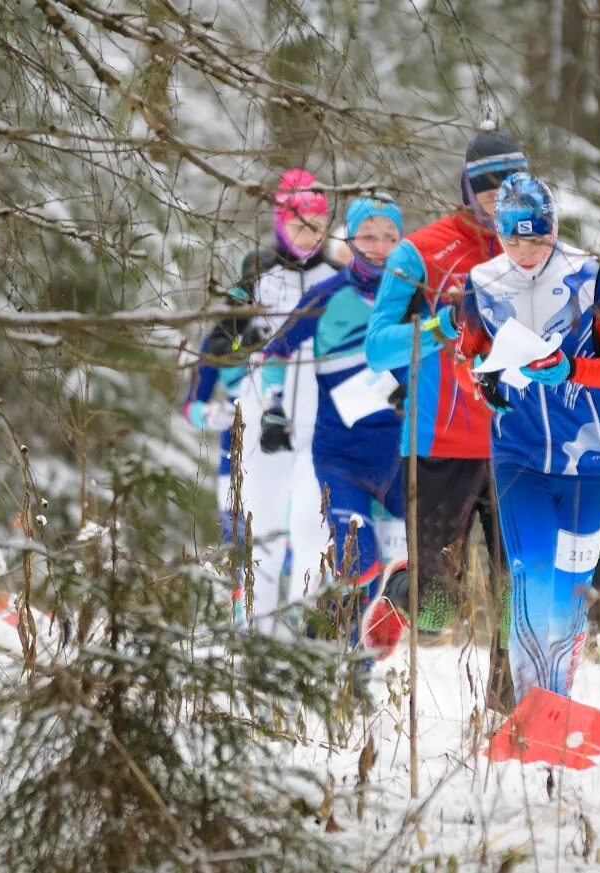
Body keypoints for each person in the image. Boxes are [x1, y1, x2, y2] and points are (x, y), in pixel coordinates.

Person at [450, 171, 600, 702]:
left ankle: (558, 702)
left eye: (536, 236)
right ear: (498, 232)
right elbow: (467, 362)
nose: (525, 249)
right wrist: (483, 385)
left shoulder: (593, 276)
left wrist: (572, 370)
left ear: (553, 228)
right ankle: (535, 709)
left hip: (589, 463)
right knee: (531, 580)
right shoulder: (482, 283)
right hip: (519, 457)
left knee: (568, 592)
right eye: (513, 236)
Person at [361, 124, 529, 702]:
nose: (498, 200)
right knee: (437, 610)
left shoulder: (536, 253)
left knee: (520, 585)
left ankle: (507, 700)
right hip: (440, 443)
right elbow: (377, 346)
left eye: (511, 187)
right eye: (486, 188)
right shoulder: (421, 252)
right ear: (466, 187)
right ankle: (405, 590)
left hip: (518, 444)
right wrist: (438, 326)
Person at [183, 168, 337, 632]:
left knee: (312, 529)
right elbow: (217, 341)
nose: (307, 233)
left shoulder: (337, 273)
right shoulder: (258, 271)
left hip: (320, 417)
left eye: (315, 224)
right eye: (297, 224)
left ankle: (305, 628)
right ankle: (248, 630)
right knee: (256, 530)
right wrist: (200, 402)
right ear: (279, 222)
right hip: (261, 415)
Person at [259, 197, 406, 640]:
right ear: (350, 238)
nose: (379, 247)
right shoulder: (326, 296)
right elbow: (275, 351)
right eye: (368, 236)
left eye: (390, 238)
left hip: (399, 457)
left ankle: (349, 668)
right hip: (339, 456)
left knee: (404, 575)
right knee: (361, 556)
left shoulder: (413, 297)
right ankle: (321, 635)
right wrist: (273, 407)